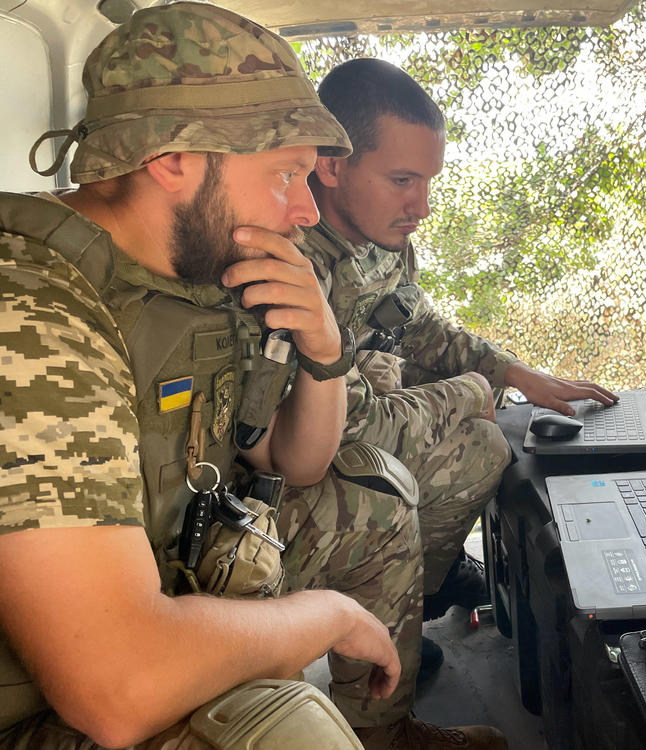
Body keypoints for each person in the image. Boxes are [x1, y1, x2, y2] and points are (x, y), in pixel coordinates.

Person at [0, 4, 401, 748]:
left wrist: (322, 346)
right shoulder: (28, 313)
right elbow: (119, 686)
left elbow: (292, 461)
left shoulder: (197, 277)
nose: (308, 211)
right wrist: (327, 617)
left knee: (376, 500)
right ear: (172, 158)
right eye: (286, 174)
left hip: (168, 572)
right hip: (59, 694)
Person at [285, 57, 619, 748]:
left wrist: (519, 373)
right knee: (391, 488)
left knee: (485, 448)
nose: (422, 206)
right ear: (331, 165)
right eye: (402, 181)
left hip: (348, 436)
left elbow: (420, 327)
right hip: (282, 489)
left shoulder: (378, 239)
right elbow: (358, 426)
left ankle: (398, 620)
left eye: (428, 182)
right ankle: (379, 723)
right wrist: (475, 391)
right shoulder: (296, 262)